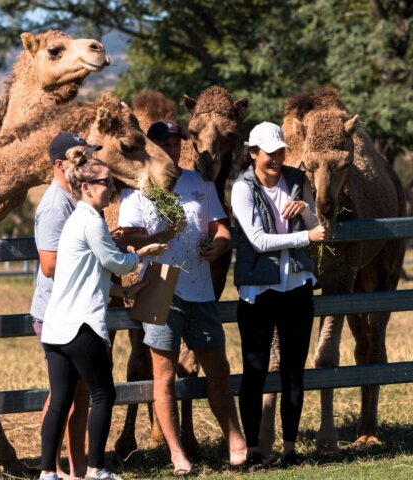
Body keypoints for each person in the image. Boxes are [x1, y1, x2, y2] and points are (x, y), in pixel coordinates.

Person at [116, 119, 247, 475]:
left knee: (217, 368)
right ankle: (176, 453)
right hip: (159, 285)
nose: (172, 149)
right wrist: (161, 234)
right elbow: (128, 238)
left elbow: (220, 227)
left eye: (176, 143)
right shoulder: (137, 190)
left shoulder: (198, 183)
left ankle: (234, 437)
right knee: (165, 375)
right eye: (165, 144)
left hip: (199, 286)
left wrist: (218, 246)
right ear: (153, 148)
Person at [39, 146, 167, 480]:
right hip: (82, 327)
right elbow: (115, 262)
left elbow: (86, 275)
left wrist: (121, 291)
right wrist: (142, 253)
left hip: (56, 328)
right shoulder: (91, 221)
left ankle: (46, 474)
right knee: (103, 394)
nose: (112, 188)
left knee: (59, 402)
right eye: (106, 182)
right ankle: (96, 469)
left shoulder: (74, 222)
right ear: (86, 187)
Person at [230, 121, 329, 469]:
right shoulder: (241, 189)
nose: (276, 159)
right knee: (255, 370)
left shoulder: (297, 181)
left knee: (293, 372)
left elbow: (320, 225)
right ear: (253, 153)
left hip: (297, 287)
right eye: (269, 153)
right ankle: (255, 450)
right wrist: (305, 237)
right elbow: (258, 241)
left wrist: (305, 211)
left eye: (280, 152)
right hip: (259, 291)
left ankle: (289, 449)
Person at [31, 132, 94, 479]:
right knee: (62, 396)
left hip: (74, 310)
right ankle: (51, 467)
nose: (87, 164)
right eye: (80, 158)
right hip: (56, 313)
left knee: (77, 393)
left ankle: (77, 468)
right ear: (60, 165)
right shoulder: (55, 206)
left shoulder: (75, 198)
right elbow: (49, 265)